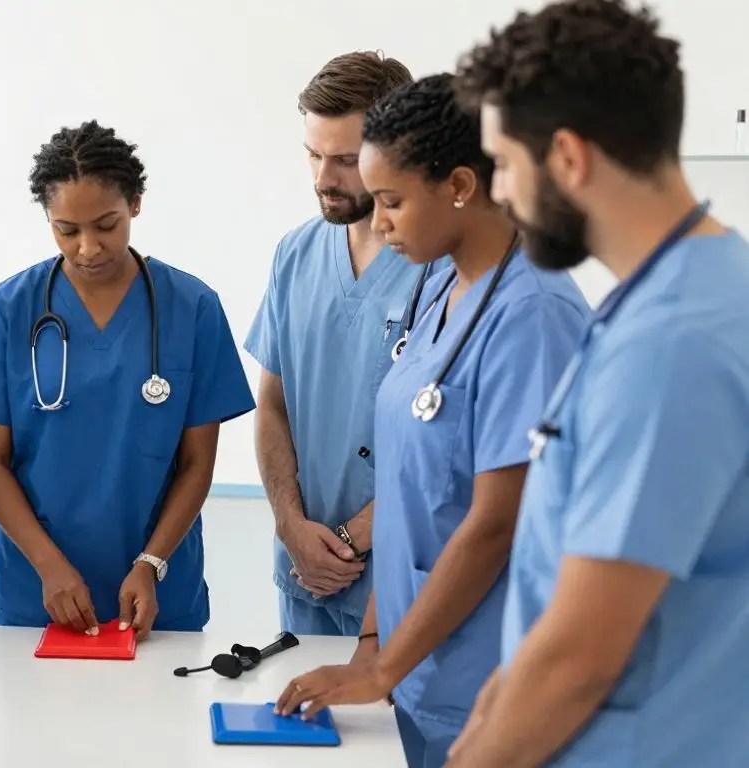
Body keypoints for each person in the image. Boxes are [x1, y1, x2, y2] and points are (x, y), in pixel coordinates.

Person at [445, 2, 749, 765]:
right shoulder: (692, 289)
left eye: (506, 165)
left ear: (570, 158)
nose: (501, 194)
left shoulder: (670, 345)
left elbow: (579, 660)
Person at [274, 73, 590, 768]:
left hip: (492, 678)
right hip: (419, 664)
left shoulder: (535, 312)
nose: (377, 221)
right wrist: (373, 647)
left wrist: (383, 668)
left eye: (390, 201)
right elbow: (412, 494)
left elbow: (496, 522)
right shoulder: (446, 281)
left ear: (459, 185)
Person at [0, 120, 255, 638]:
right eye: (67, 230)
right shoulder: (9, 309)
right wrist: (48, 566)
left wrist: (150, 563)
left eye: (106, 224)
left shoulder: (192, 308)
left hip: (157, 592)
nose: (88, 247)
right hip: (35, 590)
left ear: (135, 202)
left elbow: (197, 465)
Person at [245, 51, 417, 637]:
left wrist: (348, 543)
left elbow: (451, 448)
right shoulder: (296, 255)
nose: (323, 178)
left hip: (398, 578)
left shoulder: (442, 267)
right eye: (314, 156)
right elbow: (273, 404)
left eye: (345, 160)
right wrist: (291, 526)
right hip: (305, 575)